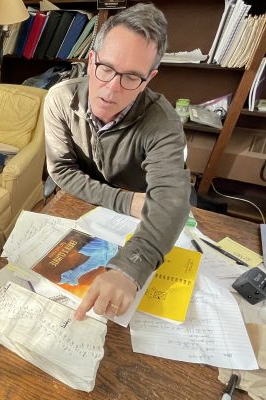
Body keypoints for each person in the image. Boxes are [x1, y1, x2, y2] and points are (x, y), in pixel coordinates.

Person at [44, 3, 191, 320]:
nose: (111, 89)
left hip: (138, 227)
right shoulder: (58, 99)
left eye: (131, 77)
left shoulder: (163, 123)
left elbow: (172, 200)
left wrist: (130, 268)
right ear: (91, 60)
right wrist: (125, 201)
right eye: (106, 68)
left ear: (149, 79)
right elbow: (61, 171)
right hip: (86, 210)